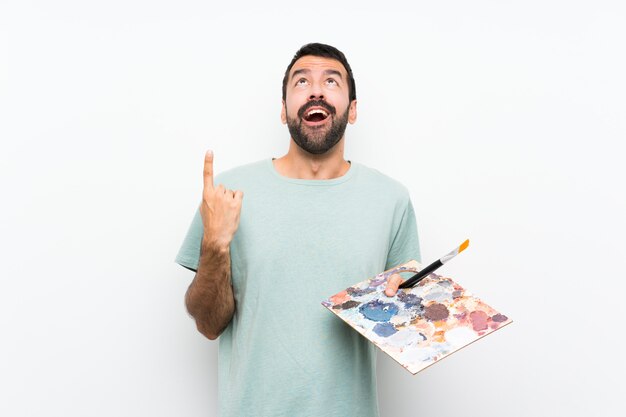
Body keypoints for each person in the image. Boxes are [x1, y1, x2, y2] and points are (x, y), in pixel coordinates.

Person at [175, 43, 421, 417]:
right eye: (301, 81)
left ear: (352, 110)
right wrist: (215, 245)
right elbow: (209, 325)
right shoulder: (229, 193)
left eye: (332, 81)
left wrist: (406, 302)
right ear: (283, 109)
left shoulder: (391, 199)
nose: (316, 89)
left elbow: (408, 333)